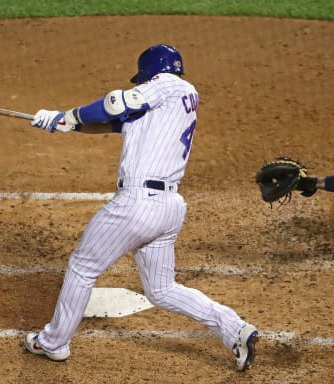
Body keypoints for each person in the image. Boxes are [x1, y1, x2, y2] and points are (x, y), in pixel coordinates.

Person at [24, 44, 258, 371]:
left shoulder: (168, 84)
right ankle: (235, 329)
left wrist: (70, 114)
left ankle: (53, 342)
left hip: (137, 205)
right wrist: (66, 124)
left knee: (82, 267)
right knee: (162, 289)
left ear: (151, 72)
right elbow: (113, 122)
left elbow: (113, 103)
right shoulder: (169, 105)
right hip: (168, 209)